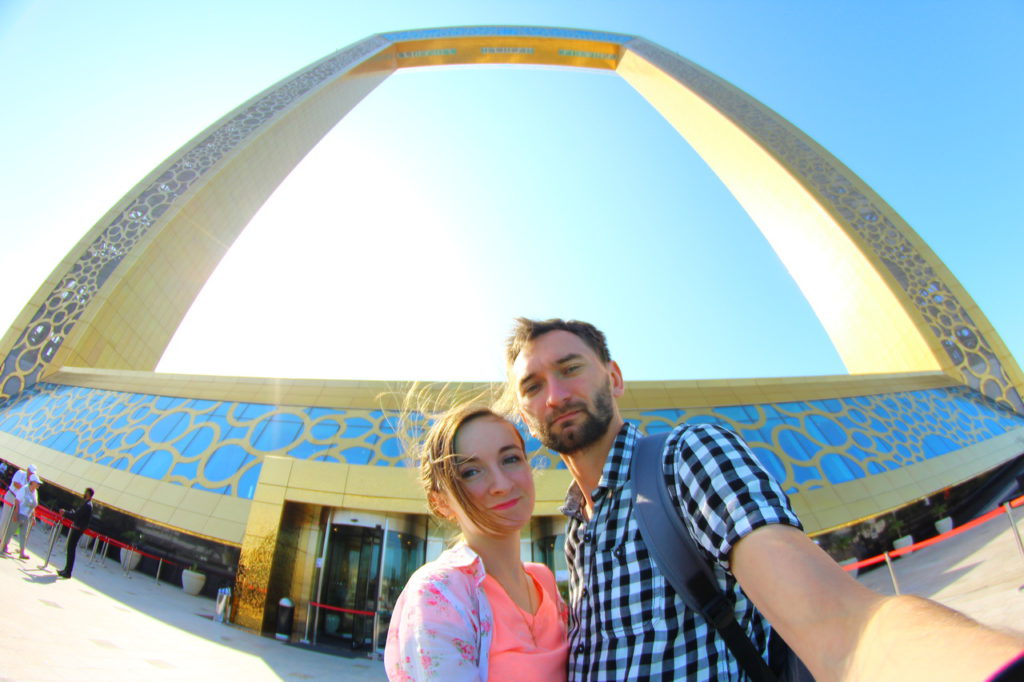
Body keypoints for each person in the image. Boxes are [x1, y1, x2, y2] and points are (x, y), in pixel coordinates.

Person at [504, 317, 1024, 681]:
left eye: (570, 368)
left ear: (613, 379)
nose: (554, 396)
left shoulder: (685, 458)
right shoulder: (577, 534)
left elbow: (836, 619)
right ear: (525, 417)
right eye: (533, 385)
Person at [384, 404, 568, 681]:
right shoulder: (440, 593)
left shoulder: (544, 581)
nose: (502, 484)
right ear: (441, 502)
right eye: (471, 471)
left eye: (510, 459)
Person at [58, 487, 94, 579]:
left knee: (71, 549)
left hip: (78, 528)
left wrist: (65, 513)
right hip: (77, 527)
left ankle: (68, 571)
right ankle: (66, 569)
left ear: (88, 494)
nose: (84, 493)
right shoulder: (87, 504)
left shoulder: (88, 505)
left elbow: (77, 515)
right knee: (70, 548)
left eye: (86, 492)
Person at [1, 463, 36, 554]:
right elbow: (15, 484)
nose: (31, 474)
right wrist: (26, 489)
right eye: (30, 472)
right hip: (11, 496)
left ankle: (5, 544)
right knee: (5, 520)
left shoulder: (31, 482)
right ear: (28, 470)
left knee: (12, 523)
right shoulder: (20, 473)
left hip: (20, 501)